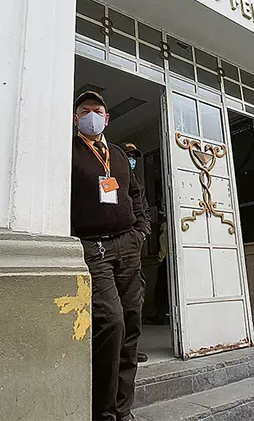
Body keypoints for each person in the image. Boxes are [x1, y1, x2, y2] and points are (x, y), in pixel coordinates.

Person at [71, 91, 150, 421]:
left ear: (107, 118)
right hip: (94, 250)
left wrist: (142, 230)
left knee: (131, 325)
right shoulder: (67, 151)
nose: (92, 114)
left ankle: (123, 409)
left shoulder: (117, 154)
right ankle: (103, 414)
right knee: (112, 324)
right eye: (84, 110)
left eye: (97, 110)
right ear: (76, 118)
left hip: (128, 246)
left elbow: (136, 193)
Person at [122, 143, 150, 365]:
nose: (132, 159)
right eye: (128, 156)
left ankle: (130, 351)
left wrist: (142, 232)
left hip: (133, 247)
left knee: (134, 301)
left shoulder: (137, 184)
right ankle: (117, 350)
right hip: (115, 246)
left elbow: (143, 210)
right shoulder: (113, 175)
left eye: (134, 156)